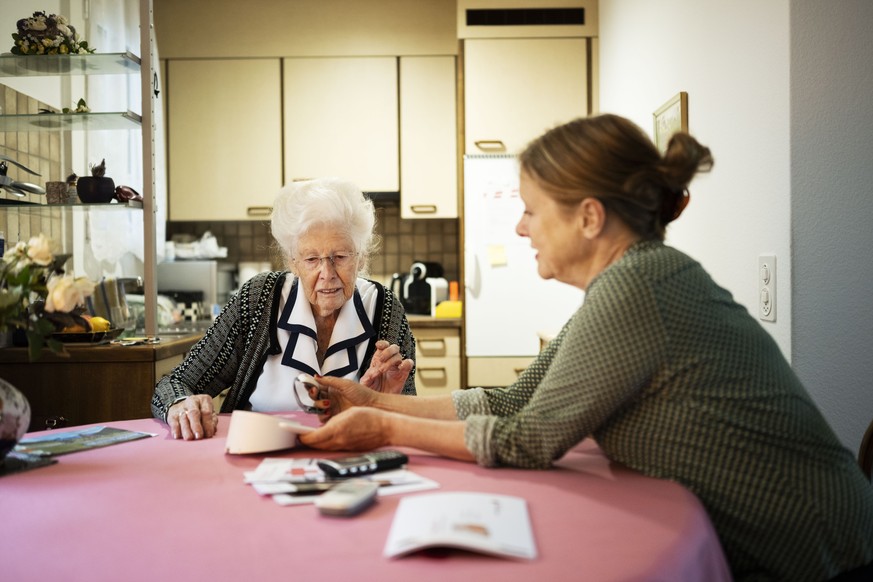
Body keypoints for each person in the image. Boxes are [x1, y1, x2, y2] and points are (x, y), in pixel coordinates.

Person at [297, 115, 873, 581]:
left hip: (820, 554)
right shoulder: (632, 282)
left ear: (590, 218)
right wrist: (365, 401)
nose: (521, 229)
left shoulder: (637, 288)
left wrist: (383, 430)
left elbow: (528, 439)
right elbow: (515, 399)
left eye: (531, 210)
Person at [151, 177, 416, 440]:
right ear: (293, 262)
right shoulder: (258, 300)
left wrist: (387, 403)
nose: (327, 273)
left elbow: (409, 416)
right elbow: (175, 385)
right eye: (312, 259)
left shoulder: (385, 309)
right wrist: (180, 404)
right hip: (256, 460)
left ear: (361, 259)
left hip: (349, 461)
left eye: (341, 257)